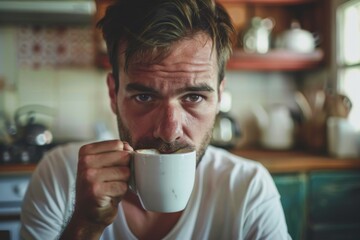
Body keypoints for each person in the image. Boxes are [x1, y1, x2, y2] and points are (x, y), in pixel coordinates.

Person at [20, 0, 291, 239]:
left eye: (194, 97)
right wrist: (85, 226)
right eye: (145, 98)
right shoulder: (60, 175)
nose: (169, 132)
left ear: (219, 97)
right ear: (114, 94)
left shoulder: (248, 189)